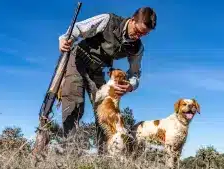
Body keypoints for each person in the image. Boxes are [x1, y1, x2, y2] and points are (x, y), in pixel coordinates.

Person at [58, 6, 157, 153]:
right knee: (74, 103)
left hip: (101, 70)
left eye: (144, 34)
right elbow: (78, 29)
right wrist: (65, 38)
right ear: (132, 20)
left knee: (106, 111)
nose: (138, 36)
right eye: (138, 31)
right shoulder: (108, 20)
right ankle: (70, 152)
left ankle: (105, 155)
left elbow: (135, 74)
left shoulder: (137, 48)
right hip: (79, 59)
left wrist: (130, 85)